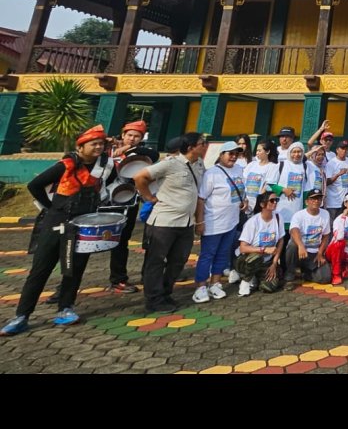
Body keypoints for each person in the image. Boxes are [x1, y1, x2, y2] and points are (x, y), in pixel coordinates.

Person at [1, 125, 116, 336]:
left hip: (83, 225)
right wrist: (51, 206)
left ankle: (66, 308)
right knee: (40, 270)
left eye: (101, 143)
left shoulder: (104, 166)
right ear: (80, 146)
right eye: (94, 143)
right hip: (57, 223)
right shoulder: (65, 165)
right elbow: (35, 185)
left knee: (73, 269)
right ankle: (21, 316)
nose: (98, 147)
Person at [134, 132, 206, 314]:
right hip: (164, 222)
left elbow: (198, 195)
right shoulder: (170, 164)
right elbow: (140, 177)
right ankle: (154, 300)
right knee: (156, 261)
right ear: (190, 147)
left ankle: (166, 293)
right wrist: (149, 197)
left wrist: (199, 220)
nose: (205, 146)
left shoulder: (199, 164)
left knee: (178, 261)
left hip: (186, 223)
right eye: (201, 143)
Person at [107, 119, 159, 295]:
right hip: (105, 202)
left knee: (122, 240)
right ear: (122, 135)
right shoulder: (107, 152)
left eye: (137, 136)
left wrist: (128, 149)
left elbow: (154, 155)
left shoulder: (140, 155)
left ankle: (118, 278)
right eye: (129, 135)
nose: (132, 139)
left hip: (128, 202)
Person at [193, 141, 245, 303]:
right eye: (230, 153)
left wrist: (244, 201)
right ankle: (201, 286)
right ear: (221, 155)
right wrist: (199, 222)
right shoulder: (212, 173)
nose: (233, 157)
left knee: (223, 254)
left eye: (236, 153)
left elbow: (239, 190)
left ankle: (215, 283)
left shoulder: (239, 170)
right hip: (213, 222)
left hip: (231, 221)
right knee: (207, 255)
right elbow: (201, 199)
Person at [235, 191, 285, 296]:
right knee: (257, 257)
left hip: (266, 261)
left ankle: (257, 277)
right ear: (262, 204)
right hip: (247, 259)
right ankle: (245, 281)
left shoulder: (278, 218)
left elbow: (281, 240)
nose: (275, 202)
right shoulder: (253, 222)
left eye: (276, 200)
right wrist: (264, 250)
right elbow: (243, 248)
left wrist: (274, 263)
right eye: (272, 200)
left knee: (269, 287)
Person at [285, 190, 332, 287]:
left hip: (314, 253)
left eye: (318, 198)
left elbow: (326, 235)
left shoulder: (325, 214)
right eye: (313, 198)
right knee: (292, 244)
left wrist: (320, 253)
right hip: (300, 251)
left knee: (325, 278)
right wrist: (301, 246)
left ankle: (306, 273)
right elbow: (294, 230)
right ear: (306, 202)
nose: (316, 201)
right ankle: (290, 275)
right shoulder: (299, 215)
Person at [243, 140, 280, 213]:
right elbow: (243, 180)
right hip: (245, 202)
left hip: (259, 204)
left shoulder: (273, 167)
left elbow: (268, 185)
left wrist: (259, 202)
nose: (257, 153)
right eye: (256, 151)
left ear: (267, 151)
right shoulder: (252, 164)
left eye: (259, 151)